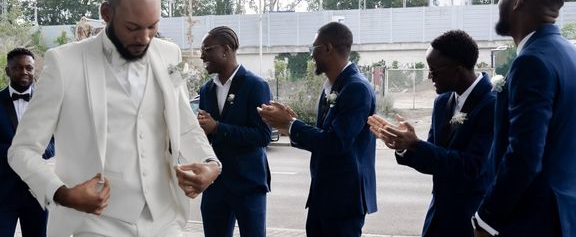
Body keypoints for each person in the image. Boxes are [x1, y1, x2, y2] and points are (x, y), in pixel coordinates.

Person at [8, 0, 220, 237]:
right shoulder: (64, 64)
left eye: (152, 27)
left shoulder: (169, 54)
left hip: (164, 219)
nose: (144, 38)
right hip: (95, 223)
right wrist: (63, 194)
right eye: (132, 27)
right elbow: (22, 150)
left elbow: (184, 126)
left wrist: (211, 164)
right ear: (106, 13)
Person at [473, 0, 576, 236]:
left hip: (533, 219)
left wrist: (486, 217)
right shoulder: (568, 53)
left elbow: (525, 154)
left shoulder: (532, 62)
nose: (500, 1)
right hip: (564, 213)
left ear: (517, 0)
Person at [368, 30, 495, 237]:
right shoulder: (442, 101)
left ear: (458, 70)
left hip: (471, 219)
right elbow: (432, 159)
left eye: (434, 71)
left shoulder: (492, 104)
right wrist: (403, 147)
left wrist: (416, 144)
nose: (429, 76)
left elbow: (473, 167)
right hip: (438, 217)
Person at [258, 21, 377, 237]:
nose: (311, 55)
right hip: (323, 195)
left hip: (344, 199)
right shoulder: (332, 86)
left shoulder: (356, 88)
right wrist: (291, 123)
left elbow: (336, 142)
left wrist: (291, 125)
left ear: (329, 48)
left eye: (314, 49)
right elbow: (324, 135)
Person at [197, 26, 272, 237]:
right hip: (215, 185)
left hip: (248, 184)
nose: (202, 55)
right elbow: (205, 136)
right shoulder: (206, 90)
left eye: (206, 49)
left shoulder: (255, 85)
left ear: (225, 50)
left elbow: (263, 136)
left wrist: (218, 128)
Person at [0, 47, 55, 237]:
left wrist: (33, 153)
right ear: (8, 71)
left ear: (34, 69)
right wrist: (17, 153)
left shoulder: (47, 102)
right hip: (2, 193)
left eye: (29, 68)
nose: (24, 72)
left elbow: (52, 144)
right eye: (18, 68)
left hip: (36, 191)